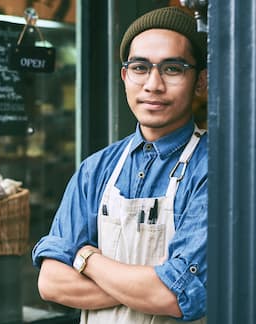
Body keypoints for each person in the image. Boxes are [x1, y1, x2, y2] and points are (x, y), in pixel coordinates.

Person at [32, 6, 208, 323]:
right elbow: (51, 282)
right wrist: (152, 285)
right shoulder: (95, 169)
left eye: (172, 69)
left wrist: (86, 258)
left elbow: (176, 295)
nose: (153, 84)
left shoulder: (212, 168)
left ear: (200, 81)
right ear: (125, 76)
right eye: (140, 68)